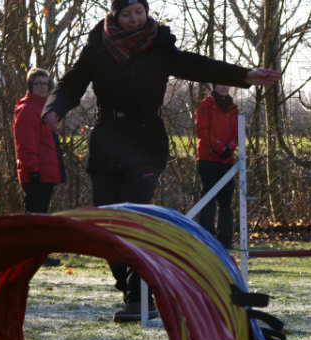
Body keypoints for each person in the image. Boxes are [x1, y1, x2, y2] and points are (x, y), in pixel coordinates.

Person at [42, 0, 280, 323]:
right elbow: (72, 81)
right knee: (105, 222)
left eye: (138, 11)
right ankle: (132, 285)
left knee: (134, 215)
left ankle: (139, 296)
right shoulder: (98, 45)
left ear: (146, 11)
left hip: (145, 142)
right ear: (115, 15)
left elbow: (200, 66)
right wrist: (54, 109)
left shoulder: (159, 45)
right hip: (107, 139)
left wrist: (246, 75)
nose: (134, 18)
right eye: (126, 13)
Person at [13, 67, 66, 266]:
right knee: (35, 215)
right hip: (36, 172)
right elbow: (25, 143)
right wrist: (32, 170)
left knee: (39, 215)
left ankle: (37, 254)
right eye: (39, 84)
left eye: (46, 84)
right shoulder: (27, 109)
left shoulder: (45, 108)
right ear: (30, 86)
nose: (43, 87)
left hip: (47, 171)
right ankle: (31, 255)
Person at [195, 84, 238, 249]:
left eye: (227, 85)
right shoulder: (206, 105)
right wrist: (220, 147)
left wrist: (230, 147)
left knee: (226, 201)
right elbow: (202, 130)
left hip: (227, 161)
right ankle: (207, 238)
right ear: (215, 86)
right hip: (208, 159)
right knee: (208, 199)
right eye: (221, 84)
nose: (224, 87)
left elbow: (237, 133)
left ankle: (226, 239)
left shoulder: (234, 109)